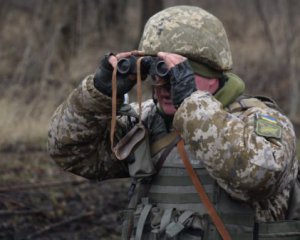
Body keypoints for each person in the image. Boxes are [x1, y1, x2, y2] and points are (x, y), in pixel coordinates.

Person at [48, 5, 299, 240]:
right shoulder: (146, 120)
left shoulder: (259, 120)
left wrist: (190, 102)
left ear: (214, 76)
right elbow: (69, 152)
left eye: (179, 75)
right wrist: (99, 94)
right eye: (157, 73)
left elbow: (259, 177)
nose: (165, 86)